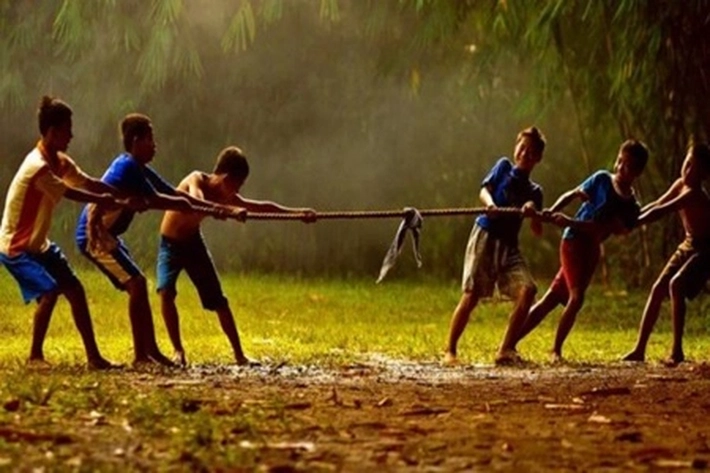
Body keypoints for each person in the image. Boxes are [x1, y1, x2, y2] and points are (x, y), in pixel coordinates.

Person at [75, 113, 243, 367]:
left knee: (139, 285)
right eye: (150, 139)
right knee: (137, 285)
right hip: (94, 236)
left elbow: (172, 192)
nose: (155, 145)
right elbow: (162, 200)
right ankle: (141, 355)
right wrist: (206, 207)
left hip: (108, 235)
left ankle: (150, 351)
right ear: (136, 141)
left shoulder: (139, 168)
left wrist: (214, 208)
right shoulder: (128, 167)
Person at [0, 96, 139, 369]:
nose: (71, 135)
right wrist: (113, 201)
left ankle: (94, 357)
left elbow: (89, 183)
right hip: (15, 246)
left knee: (75, 290)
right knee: (50, 293)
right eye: (67, 129)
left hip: (38, 244)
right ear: (52, 132)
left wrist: (121, 194)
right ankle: (34, 356)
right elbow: (73, 193)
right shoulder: (37, 166)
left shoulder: (59, 161)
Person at [157, 146, 316, 366]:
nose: (237, 191)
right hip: (170, 244)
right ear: (225, 177)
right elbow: (195, 202)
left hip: (193, 244)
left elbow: (259, 207)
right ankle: (178, 350)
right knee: (166, 292)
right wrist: (227, 211)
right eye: (237, 184)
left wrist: (297, 214)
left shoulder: (226, 195)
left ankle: (239, 354)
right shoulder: (197, 179)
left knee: (219, 301)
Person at [513, 139, 648, 363]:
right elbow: (573, 194)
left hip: (591, 248)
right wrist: (551, 212)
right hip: (573, 243)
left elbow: (605, 229)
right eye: (619, 161)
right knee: (576, 299)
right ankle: (555, 350)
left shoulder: (631, 206)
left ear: (638, 172)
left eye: (628, 166)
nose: (620, 168)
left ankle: (510, 343)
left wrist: (568, 221)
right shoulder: (602, 179)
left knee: (551, 300)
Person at [443, 126, 546, 366]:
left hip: (509, 247)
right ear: (515, 146)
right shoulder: (503, 167)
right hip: (486, 236)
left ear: (538, 159)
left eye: (532, 152)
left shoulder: (535, 191)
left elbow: (537, 229)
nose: (525, 154)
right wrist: (490, 204)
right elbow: (484, 190)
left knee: (528, 290)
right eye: (522, 147)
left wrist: (533, 212)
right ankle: (450, 350)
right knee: (471, 295)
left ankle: (505, 349)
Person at [622, 143, 710, 366]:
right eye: (687, 164)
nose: (688, 171)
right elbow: (657, 203)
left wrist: (633, 223)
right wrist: (633, 215)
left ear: (704, 175)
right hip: (688, 244)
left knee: (676, 285)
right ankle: (640, 349)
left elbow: (663, 211)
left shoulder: (694, 193)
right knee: (658, 287)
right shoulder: (680, 184)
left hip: (707, 249)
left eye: (696, 170)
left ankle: (677, 351)